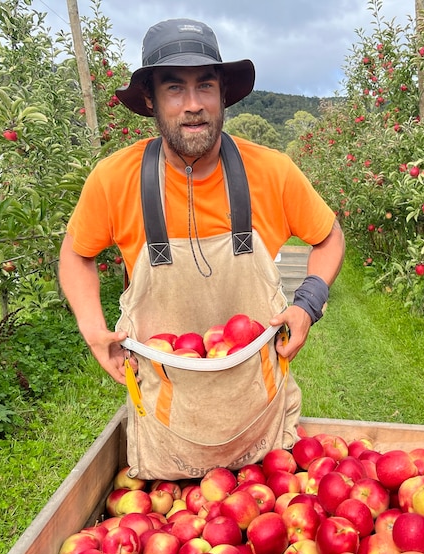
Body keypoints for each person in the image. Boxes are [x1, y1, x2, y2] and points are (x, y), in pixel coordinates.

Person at [58, 18, 345, 479]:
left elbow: (329, 236)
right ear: (150, 99)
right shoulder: (115, 180)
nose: (193, 105)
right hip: (169, 425)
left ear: (223, 94)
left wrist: (308, 304)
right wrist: (94, 330)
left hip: (259, 423)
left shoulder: (271, 172)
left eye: (205, 86)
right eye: (175, 88)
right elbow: (76, 253)